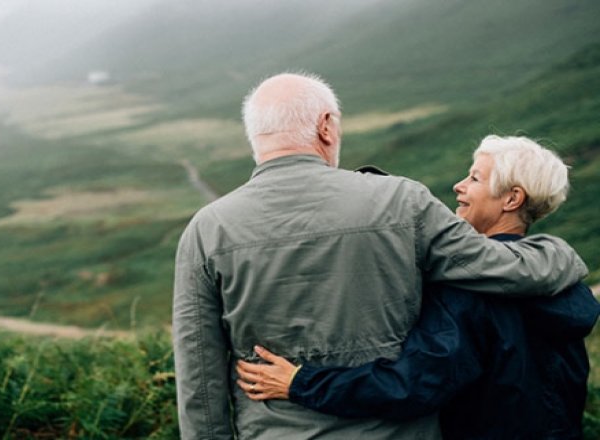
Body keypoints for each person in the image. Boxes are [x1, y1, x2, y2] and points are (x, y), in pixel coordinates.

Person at [172, 72, 588, 439]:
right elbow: (500, 266)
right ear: (326, 126)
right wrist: (561, 256)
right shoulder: (402, 202)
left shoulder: (206, 230)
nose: (462, 186)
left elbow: (199, 382)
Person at [235, 135, 600, 438]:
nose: (459, 185)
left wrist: (301, 383)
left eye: (474, 178)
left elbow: (413, 385)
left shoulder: (469, 291)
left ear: (512, 199)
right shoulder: (565, 286)